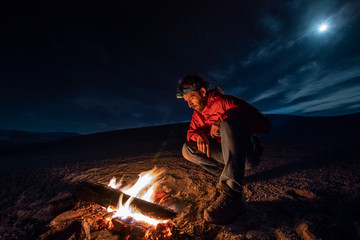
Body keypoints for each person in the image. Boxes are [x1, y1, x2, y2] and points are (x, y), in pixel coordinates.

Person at [176, 74, 271, 224]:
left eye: (192, 98)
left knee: (228, 124)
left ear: (202, 92)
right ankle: (233, 175)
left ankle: (233, 196)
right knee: (187, 150)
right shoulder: (197, 114)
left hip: (246, 156)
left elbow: (265, 125)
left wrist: (223, 120)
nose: (189, 104)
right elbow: (190, 134)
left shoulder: (225, 102)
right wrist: (200, 134)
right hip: (228, 156)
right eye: (187, 101)